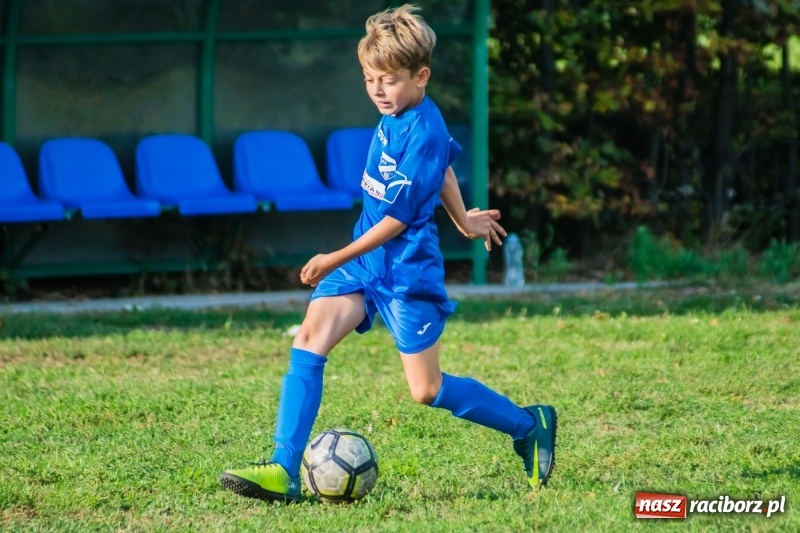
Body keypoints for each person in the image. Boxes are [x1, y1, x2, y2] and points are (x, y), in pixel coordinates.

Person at [220, 4, 556, 503]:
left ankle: (529, 424)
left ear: (421, 77)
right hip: (364, 260)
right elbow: (443, 172)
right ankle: (283, 469)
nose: (378, 90)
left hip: (405, 271)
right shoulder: (395, 113)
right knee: (310, 340)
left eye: (390, 81)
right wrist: (464, 221)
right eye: (369, 79)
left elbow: (398, 218)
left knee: (426, 390)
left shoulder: (425, 130)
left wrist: (334, 257)